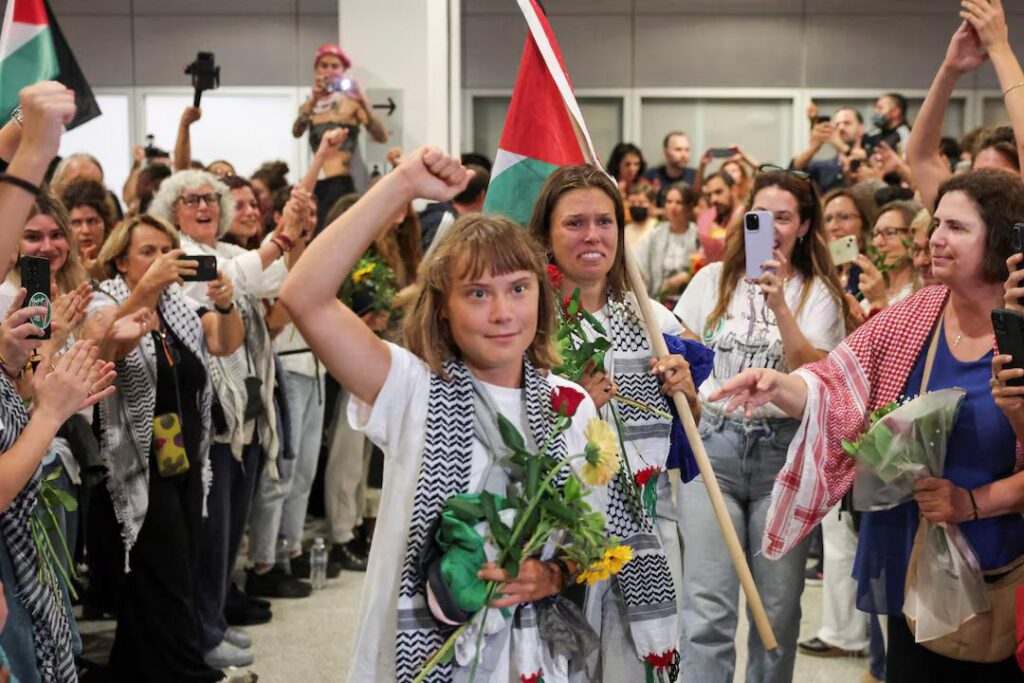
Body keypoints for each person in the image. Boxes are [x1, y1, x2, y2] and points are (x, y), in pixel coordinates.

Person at [281, 147, 648, 681]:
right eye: (477, 293)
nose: (502, 313)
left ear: (540, 297)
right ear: (442, 309)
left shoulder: (568, 404)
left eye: (518, 289)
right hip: (421, 655)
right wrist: (402, 184)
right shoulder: (410, 387)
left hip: (529, 658)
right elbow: (304, 296)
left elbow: (589, 538)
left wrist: (551, 574)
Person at [710, 169, 1024, 682]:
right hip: (911, 554)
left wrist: (970, 503)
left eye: (956, 228)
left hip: (999, 564)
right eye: (937, 223)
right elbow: (835, 383)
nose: (935, 239)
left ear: (999, 241)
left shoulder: (1017, 333)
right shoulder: (918, 312)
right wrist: (776, 384)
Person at [673, 168, 848, 683]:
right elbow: (681, 350)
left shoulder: (819, 294)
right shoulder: (711, 281)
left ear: (804, 226)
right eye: (760, 217)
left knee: (776, 612)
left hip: (783, 456)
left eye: (784, 218)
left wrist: (780, 307)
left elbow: (818, 376)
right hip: (712, 448)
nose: (770, 229)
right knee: (706, 609)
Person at [527, 162, 695, 681]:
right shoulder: (527, 321)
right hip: (559, 533)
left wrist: (687, 392)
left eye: (604, 222)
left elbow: (690, 436)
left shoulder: (652, 319)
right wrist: (577, 405)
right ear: (547, 236)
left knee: (634, 668)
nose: (592, 235)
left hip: (645, 527)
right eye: (574, 223)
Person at [150, 170, 310, 668]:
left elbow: (277, 278)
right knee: (211, 530)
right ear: (172, 210)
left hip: (245, 409)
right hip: (208, 413)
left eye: (210, 198)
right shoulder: (180, 255)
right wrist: (284, 234)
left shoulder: (224, 249)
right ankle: (200, 632)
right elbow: (234, 275)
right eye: (191, 199)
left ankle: (214, 618)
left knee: (229, 527)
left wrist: (297, 235)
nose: (205, 206)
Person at [90, 213, 243, 682]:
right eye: (147, 252)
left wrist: (226, 305)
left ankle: (140, 667)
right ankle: (186, 671)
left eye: (165, 251)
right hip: (135, 460)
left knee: (180, 563)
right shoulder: (106, 299)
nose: (160, 260)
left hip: (181, 452)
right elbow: (101, 349)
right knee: (164, 570)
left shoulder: (176, 304)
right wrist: (146, 289)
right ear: (121, 260)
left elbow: (224, 343)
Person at [0, 80, 118, 683]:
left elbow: (20, 387)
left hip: (48, 465)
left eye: (55, 236)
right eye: (29, 235)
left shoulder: (58, 288)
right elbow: (27, 401)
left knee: (50, 609)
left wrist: (17, 361)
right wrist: (31, 142)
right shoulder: (15, 294)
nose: (45, 247)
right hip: (26, 475)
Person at [909, 2, 1024, 209]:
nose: (985, 185)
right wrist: (949, 70)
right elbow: (922, 156)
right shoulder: (961, 213)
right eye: (979, 173)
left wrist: (999, 48)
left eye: (999, 176)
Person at [291, 43, 390, 229]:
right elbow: (296, 132)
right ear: (316, 70)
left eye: (335, 66)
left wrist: (362, 101)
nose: (329, 71)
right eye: (324, 65)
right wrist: (313, 100)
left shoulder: (351, 103)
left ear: (343, 71)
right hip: (316, 182)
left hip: (342, 181)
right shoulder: (308, 106)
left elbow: (381, 136)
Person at [634, 182, 700, 303]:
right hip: (658, 298)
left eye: (678, 202)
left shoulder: (697, 234)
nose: (672, 207)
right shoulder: (656, 233)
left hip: (689, 298)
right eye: (669, 202)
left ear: (689, 207)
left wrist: (687, 276)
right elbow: (637, 262)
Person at [855, 200, 923, 314]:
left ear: (913, 236)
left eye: (890, 232)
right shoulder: (867, 299)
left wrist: (879, 301)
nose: (877, 242)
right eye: (875, 234)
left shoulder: (922, 293)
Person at [791, 106, 867, 193]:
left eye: (847, 123)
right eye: (837, 124)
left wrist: (842, 146)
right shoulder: (823, 168)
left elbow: (864, 160)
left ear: (861, 128)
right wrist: (813, 148)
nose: (841, 128)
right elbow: (793, 172)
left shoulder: (873, 159)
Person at [60, 178, 116, 280]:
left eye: (92, 221)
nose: (85, 230)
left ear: (105, 223)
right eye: (76, 223)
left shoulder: (119, 263)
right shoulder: (57, 266)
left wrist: (101, 277)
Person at [695, 170, 742, 263]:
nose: (713, 199)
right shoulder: (709, 218)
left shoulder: (747, 217)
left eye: (718, 192)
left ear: (734, 190)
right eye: (709, 195)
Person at [643, 131, 695, 205]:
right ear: (665, 152)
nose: (684, 155)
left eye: (687, 150)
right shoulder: (650, 175)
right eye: (678, 149)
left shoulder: (695, 176)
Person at [623, 180, 658, 249]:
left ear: (652, 204)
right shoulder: (625, 231)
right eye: (632, 202)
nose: (636, 205)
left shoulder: (659, 229)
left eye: (641, 202)